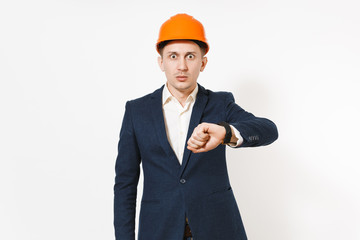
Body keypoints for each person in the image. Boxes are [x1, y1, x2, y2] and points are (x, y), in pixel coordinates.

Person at [114, 13, 278, 240]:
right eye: (173, 56)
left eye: (190, 56)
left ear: (203, 62)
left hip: (218, 229)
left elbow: (269, 130)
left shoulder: (220, 103)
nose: (182, 66)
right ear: (161, 62)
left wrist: (226, 132)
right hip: (158, 230)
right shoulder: (137, 111)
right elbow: (125, 184)